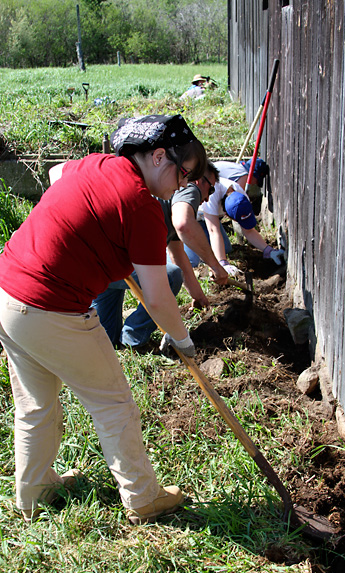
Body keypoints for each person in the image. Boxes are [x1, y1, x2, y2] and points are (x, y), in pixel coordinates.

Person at [0, 113, 207, 525]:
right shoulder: (143, 207)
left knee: (36, 406)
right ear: (159, 156)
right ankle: (143, 498)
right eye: (184, 174)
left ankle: (33, 493)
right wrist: (182, 339)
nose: (183, 185)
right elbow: (158, 296)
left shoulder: (97, 164)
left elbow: (58, 173)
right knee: (113, 402)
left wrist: (87, 222)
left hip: (8, 293)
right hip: (52, 308)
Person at [92, 161, 229, 349]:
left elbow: (178, 255)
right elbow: (184, 224)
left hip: (98, 261)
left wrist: (197, 295)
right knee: (170, 276)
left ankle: (122, 341)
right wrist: (216, 266)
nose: (207, 198)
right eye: (210, 190)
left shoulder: (169, 202)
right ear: (199, 180)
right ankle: (133, 339)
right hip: (113, 262)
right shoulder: (189, 187)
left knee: (106, 341)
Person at [184, 176, 284, 275]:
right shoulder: (211, 195)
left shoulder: (240, 195)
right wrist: (222, 263)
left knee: (226, 248)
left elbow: (248, 230)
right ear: (226, 215)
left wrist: (268, 250)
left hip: (206, 218)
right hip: (188, 220)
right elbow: (213, 230)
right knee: (192, 261)